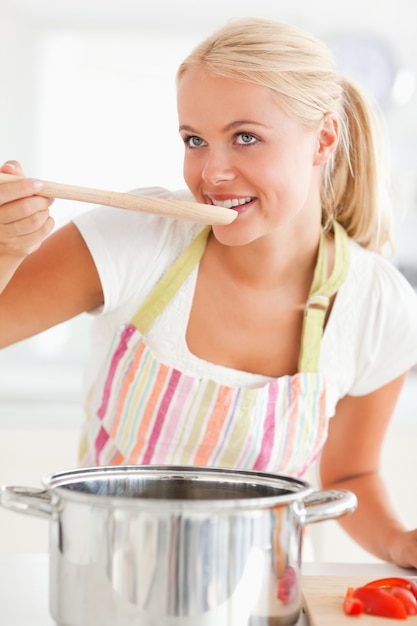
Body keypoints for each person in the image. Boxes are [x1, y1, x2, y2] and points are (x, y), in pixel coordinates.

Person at [1, 17, 417, 568]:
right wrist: (6, 250)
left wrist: (401, 542)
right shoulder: (135, 241)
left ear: (323, 138)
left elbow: (349, 476)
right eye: (195, 140)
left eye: (246, 137)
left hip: (264, 594)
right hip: (108, 585)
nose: (213, 171)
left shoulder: (378, 306)